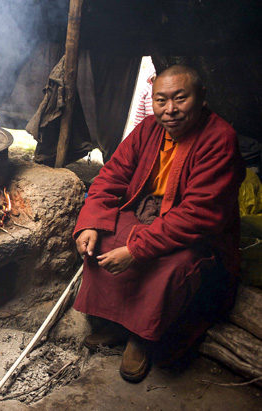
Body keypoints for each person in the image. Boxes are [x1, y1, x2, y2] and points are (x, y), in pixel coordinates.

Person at [73, 65, 246, 383]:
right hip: (146, 210)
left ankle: (142, 336)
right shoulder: (148, 129)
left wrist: (136, 249)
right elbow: (112, 175)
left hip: (197, 232)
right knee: (104, 239)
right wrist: (90, 223)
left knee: (170, 266)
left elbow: (198, 215)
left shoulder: (220, 138)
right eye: (161, 100)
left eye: (180, 98)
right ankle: (116, 322)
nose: (170, 111)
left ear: (201, 97)